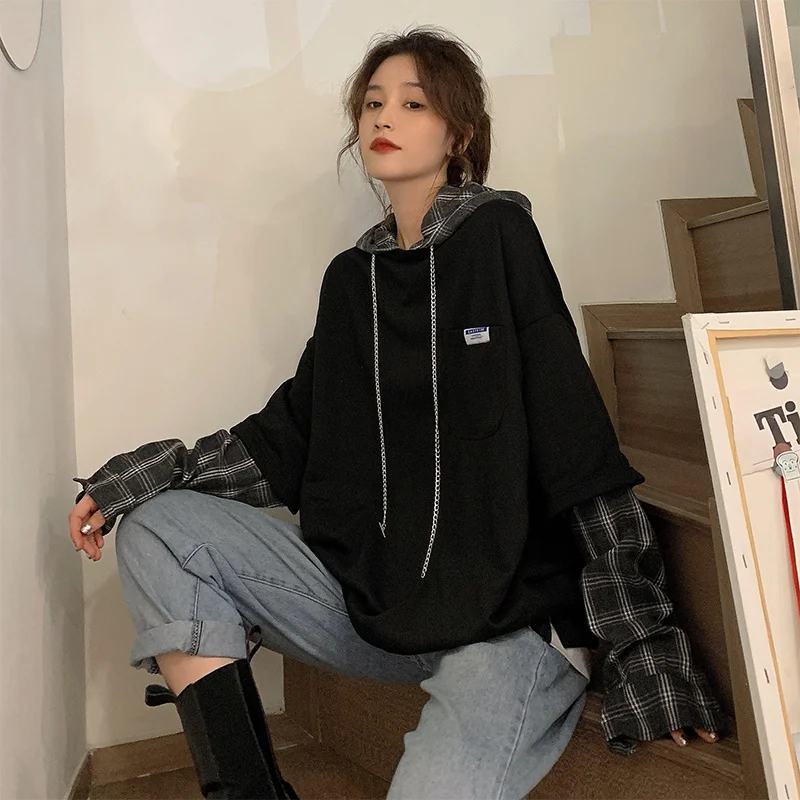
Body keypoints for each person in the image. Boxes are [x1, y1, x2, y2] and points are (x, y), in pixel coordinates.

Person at [68, 25, 724, 800]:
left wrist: (643, 643)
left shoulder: (500, 237)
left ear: (460, 135)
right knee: (159, 528)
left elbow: (575, 442)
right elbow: (288, 436)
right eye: (373, 103)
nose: (385, 117)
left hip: (506, 624)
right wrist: (135, 481)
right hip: (381, 603)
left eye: (414, 104)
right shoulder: (353, 280)